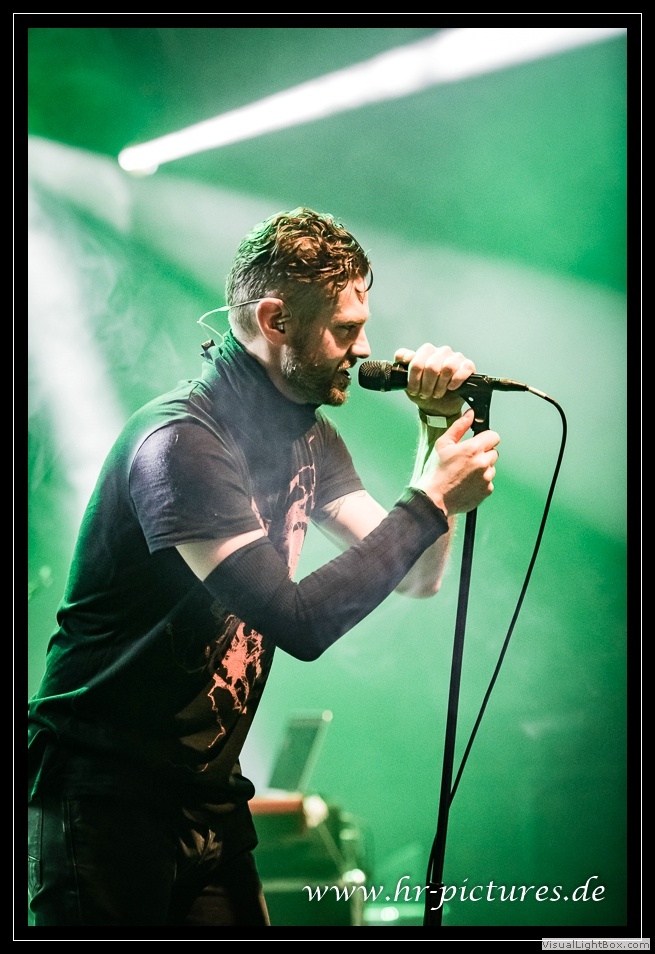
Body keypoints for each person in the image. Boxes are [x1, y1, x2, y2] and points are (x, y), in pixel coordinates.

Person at [27, 207, 500, 927]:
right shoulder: (181, 442)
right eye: (345, 329)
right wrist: (429, 499)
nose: (363, 348)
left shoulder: (309, 436)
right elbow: (296, 621)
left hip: (210, 802)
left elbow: (416, 574)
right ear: (276, 321)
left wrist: (436, 434)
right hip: (105, 798)